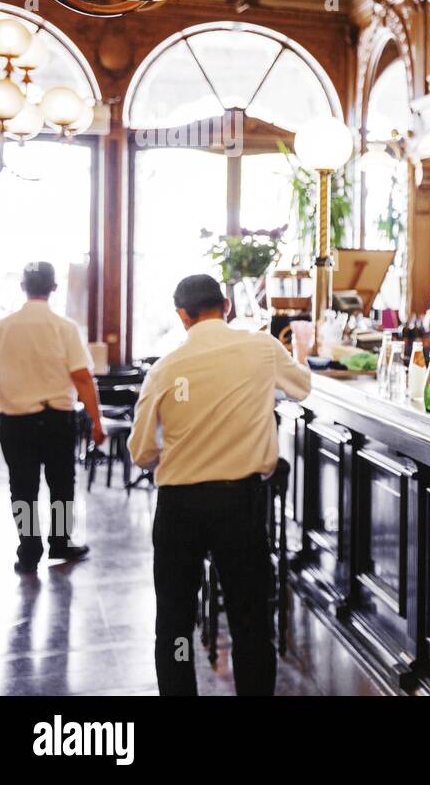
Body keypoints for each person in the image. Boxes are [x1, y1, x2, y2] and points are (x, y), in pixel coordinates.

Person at [128, 274, 311, 696]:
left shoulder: (164, 369)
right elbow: (300, 387)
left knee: (173, 623)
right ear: (226, 305)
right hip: (238, 504)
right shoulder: (262, 348)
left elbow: (141, 452)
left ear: (182, 316)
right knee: (250, 620)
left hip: (179, 507)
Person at [0, 262, 102, 575]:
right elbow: (82, 378)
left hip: (15, 421)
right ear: (54, 287)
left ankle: (29, 550)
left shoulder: (0, 328)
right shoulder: (64, 328)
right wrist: (97, 422)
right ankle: (60, 544)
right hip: (57, 419)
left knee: (22, 488)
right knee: (62, 485)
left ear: (23, 285)